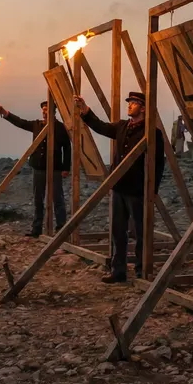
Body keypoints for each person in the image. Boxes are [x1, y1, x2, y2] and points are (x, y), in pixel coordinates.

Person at [73, 91, 165, 283]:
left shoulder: (152, 132)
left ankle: (142, 271)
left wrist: (151, 190)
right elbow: (102, 127)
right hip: (119, 187)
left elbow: (158, 164)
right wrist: (85, 109)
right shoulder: (122, 126)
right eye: (129, 102)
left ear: (143, 107)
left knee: (141, 232)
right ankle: (118, 271)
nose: (130, 105)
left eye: (134, 103)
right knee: (118, 230)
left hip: (138, 189)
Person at [0, 100, 71, 237]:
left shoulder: (61, 128)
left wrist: (66, 167)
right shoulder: (37, 125)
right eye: (43, 109)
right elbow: (21, 122)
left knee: (57, 199)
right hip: (38, 168)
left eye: (47, 109)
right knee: (38, 199)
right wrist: (5, 113)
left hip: (55, 169)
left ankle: (61, 229)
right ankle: (36, 229)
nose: (44, 112)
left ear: (54, 111)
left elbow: (67, 148)